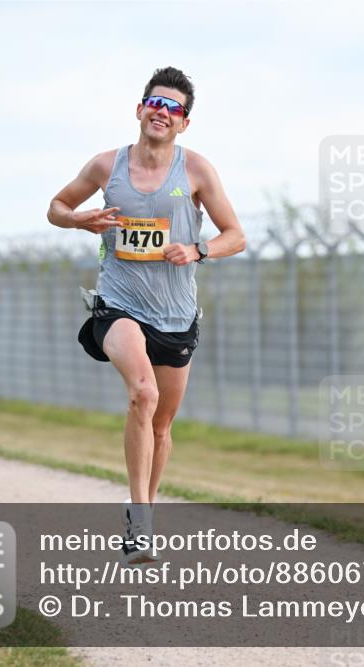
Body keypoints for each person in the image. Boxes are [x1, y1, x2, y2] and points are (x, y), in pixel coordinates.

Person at [47, 67, 246, 563]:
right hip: (118, 304)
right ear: (140, 110)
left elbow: (235, 236)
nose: (162, 112)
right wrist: (78, 219)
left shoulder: (197, 170)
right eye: (155, 103)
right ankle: (139, 524)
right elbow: (55, 205)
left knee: (161, 425)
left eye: (174, 108)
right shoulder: (105, 166)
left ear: (184, 124)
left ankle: (146, 510)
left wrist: (198, 251)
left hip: (176, 315)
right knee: (143, 393)